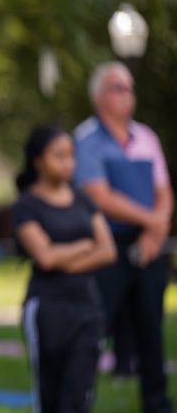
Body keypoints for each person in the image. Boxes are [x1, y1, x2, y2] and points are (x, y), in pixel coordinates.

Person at [74, 61, 174, 413]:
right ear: (100, 96)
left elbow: (164, 190)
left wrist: (153, 230)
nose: (128, 94)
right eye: (120, 87)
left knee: (151, 330)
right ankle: (78, 401)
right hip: (106, 248)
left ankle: (158, 404)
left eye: (130, 87)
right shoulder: (86, 140)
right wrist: (156, 223)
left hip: (149, 247)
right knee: (95, 329)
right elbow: (100, 196)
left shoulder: (147, 137)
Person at [12, 125, 115, 413]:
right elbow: (44, 258)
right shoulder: (26, 205)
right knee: (50, 397)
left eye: (70, 155)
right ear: (38, 161)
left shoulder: (83, 199)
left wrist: (62, 257)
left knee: (79, 397)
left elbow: (108, 250)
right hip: (47, 310)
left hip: (87, 308)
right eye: (58, 155)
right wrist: (85, 245)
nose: (67, 162)